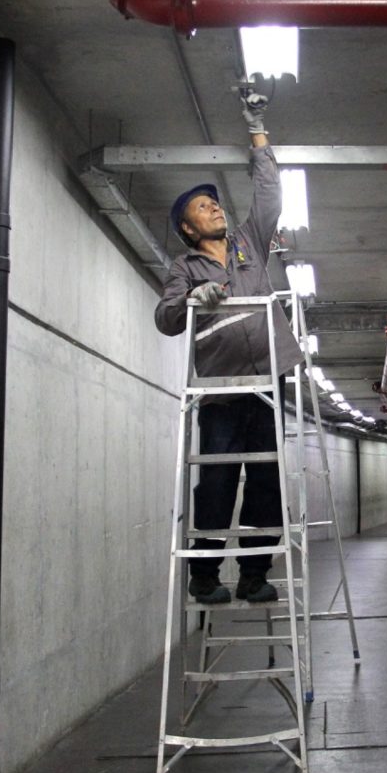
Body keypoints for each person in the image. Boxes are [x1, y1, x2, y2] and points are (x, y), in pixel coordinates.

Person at [153, 87, 301, 605]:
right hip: (219, 390)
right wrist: (195, 296)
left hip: (266, 382)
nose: (213, 207)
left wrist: (257, 131)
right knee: (215, 481)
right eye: (202, 206)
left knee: (265, 480)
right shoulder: (183, 267)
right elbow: (166, 318)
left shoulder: (248, 242)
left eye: (214, 201)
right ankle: (206, 575)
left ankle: (256, 574)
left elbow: (268, 195)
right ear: (188, 229)